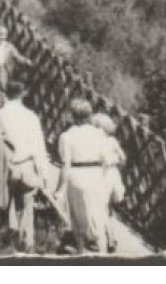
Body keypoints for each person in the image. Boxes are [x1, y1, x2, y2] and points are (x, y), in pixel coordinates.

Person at [0, 79, 54, 251]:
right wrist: (43, 175)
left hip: (5, 166)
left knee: (2, 207)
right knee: (26, 210)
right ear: (23, 94)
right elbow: (38, 148)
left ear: (5, 93)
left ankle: (3, 246)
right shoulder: (31, 117)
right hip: (27, 166)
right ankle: (26, 247)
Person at [55, 99, 112, 253]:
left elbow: (65, 164)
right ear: (89, 115)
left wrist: (60, 189)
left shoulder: (66, 136)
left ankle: (81, 255)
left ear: (72, 116)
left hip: (76, 177)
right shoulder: (100, 134)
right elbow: (108, 160)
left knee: (78, 223)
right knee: (98, 220)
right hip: (96, 176)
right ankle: (103, 256)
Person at [91, 113, 126, 253]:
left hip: (102, 175)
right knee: (108, 209)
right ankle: (111, 237)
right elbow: (124, 158)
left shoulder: (96, 142)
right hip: (114, 175)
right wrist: (115, 161)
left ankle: (107, 239)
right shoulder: (112, 141)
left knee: (102, 209)